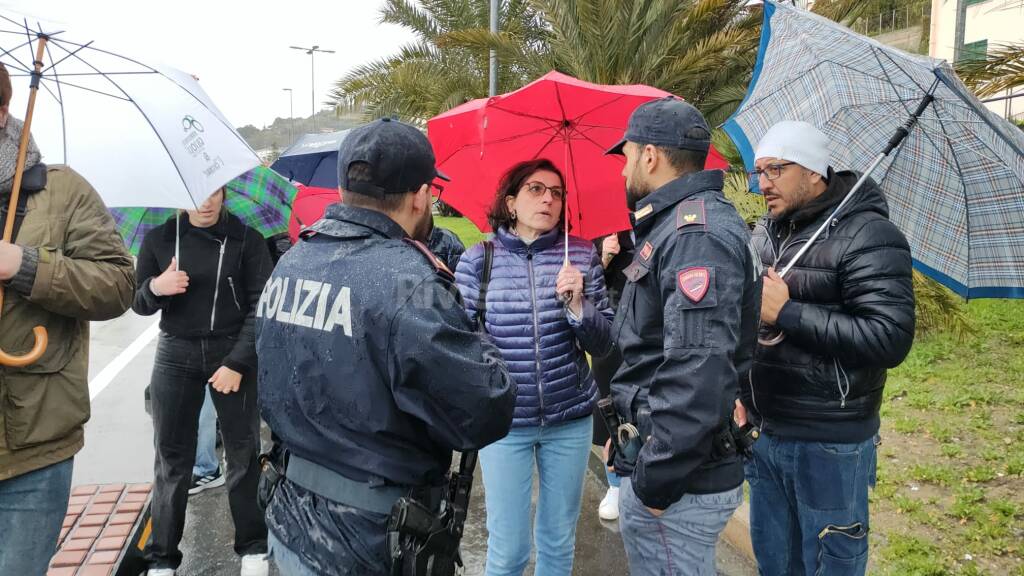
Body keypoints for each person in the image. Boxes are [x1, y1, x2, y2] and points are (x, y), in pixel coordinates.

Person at [257, 118, 515, 576]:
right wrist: (481, 342)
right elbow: (485, 408)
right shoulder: (408, 282)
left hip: (290, 521)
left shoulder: (293, 261)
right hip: (371, 542)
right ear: (420, 195)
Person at [735, 120, 915, 576]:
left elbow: (888, 337)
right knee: (775, 563)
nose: (763, 183)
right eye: (759, 172)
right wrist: (738, 391)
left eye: (775, 169)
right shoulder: (767, 233)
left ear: (815, 171)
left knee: (828, 566)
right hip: (765, 432)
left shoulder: (869, 235)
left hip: (829, 442)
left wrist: (788, 313)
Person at [604, 96, 761, 576]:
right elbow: (653, 351)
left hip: (679, 485)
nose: (624, 169)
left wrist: (654, 480)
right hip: (669, 462)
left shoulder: (695, 235)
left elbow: (698, 374)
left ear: (650, 156)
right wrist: (629, 439)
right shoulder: (678, 225)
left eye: (627, 156)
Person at [0, 62, 136, 576]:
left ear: (3, 111)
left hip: (32, 449)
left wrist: (25, 266)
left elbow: (118, 284)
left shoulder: (62, 191)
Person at [454, 158, 614, 576]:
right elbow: (460, 339)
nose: (548, 199)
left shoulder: (579, 255)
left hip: (570, 418)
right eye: (536, 189)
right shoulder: (478, 260)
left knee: (558, 544)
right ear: (511, 202)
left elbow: (605, 341)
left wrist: (578, 306)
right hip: (505, 424)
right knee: (507, 551)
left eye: (557, 193)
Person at [133, 188, 272, 576]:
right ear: (178, 196)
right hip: (175, 352)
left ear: (225, 192)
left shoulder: (247, 239)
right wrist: (156, 288)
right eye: (195, 195)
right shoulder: (160, 238)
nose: (205, 202)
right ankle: (162, 557)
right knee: (171, 458)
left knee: (243, 453)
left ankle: (253, 546)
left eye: (213, 193)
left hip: (230, 351)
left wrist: (239, 362)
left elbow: (262, 306)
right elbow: (137, 300)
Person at [590, 230, 634, 521]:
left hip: (647, 329)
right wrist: (603, 257)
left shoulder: (657, 222)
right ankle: (616, 486)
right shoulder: (601, 226)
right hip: (610, 330)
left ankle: (638, 485)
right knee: (610, 412)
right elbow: (587, 289)